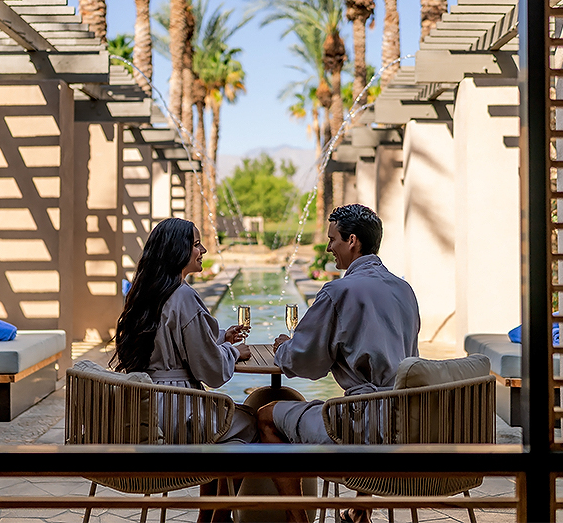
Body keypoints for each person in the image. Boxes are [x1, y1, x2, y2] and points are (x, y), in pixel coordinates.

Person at [257, 204, 421, 523]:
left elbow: (306, 364)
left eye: (333, 239)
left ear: (352, 241)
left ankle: (299, 520)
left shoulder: (339, 291)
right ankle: (360, 511)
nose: (329, 247)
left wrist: (284, 347)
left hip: (360, 432)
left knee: (266, 417)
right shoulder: (405, 290)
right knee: (365, 405)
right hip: (405, 425)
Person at [111, 217, 254, 522]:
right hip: (177, 411)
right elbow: (211, 372)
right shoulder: (184, 296)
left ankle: (209, 516)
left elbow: (168, 344)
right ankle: (221, 517)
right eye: (196, 244)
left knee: (225, 426)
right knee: (252, 427)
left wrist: (216, 337)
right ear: (178, 250)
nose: (202, 250)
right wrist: (232, 350)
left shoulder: (144, 293)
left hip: (148, 408)